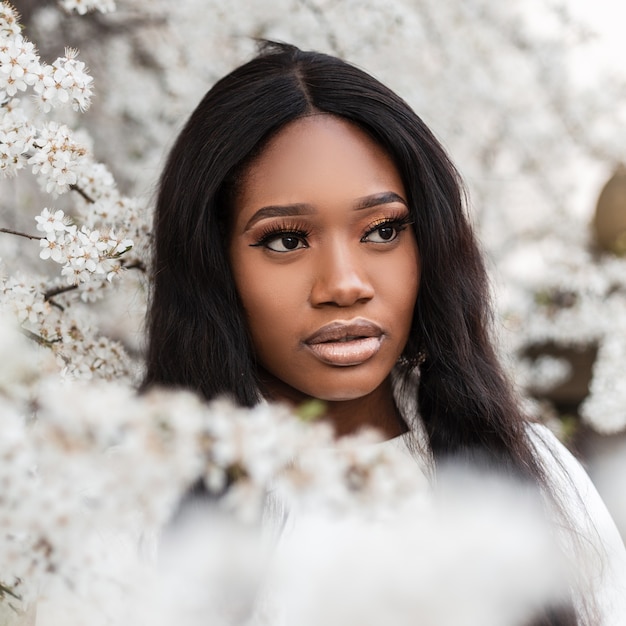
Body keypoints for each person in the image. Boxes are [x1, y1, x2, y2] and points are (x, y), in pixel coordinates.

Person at [143, 41, 626, 626]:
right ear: (211, 263)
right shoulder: (140, 498)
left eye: (382, 230)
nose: (344, 284)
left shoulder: (538, 471)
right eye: (286, 240)